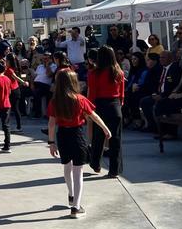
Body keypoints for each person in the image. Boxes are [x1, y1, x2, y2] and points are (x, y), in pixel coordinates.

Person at [48, 71, 111, 217]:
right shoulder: (80, 99)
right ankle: (76, 207)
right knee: (78, 171)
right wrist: (105, 128)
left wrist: (51, 142)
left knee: (67, 166)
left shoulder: (55, 101)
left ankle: (71, 195)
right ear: (73, 82)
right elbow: (93, 116)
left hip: (62, 135)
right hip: (77, 135)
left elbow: (51, 124)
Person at [87, 46, 125, 177]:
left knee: (98, 137)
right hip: (115, 105)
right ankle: (114, 170)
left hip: (100, 104)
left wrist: (90, 109)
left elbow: (92, 93)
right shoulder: (118, 72)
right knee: (116, 139)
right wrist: (120, 105)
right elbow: (122, 94)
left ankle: (96, 163)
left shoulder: (94, 73)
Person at [138, 51, 182, 134]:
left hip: (168, 95)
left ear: (170, 58)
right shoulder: (161, 68)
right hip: (159, 93)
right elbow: (156, 84)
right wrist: (155, 94)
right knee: (144, 101)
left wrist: (163, 95)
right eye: (160, 58)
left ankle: (165, 131)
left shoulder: (174, 68)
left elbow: (175, 85)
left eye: (163, 57)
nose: (161, 59)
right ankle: (153, 126)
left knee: (160, 104)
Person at [31, 52, 56, 117]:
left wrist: (47, 66)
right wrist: (32, 84)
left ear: (51, 59)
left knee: (37, 93)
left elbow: (49, 75)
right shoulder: (40, 66)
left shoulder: (53, 66)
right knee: (23, 91)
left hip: (46, 85)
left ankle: (38, 113)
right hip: (36, 84)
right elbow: (34, 77)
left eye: (47, 59)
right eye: (44, 59)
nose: (45, 60)